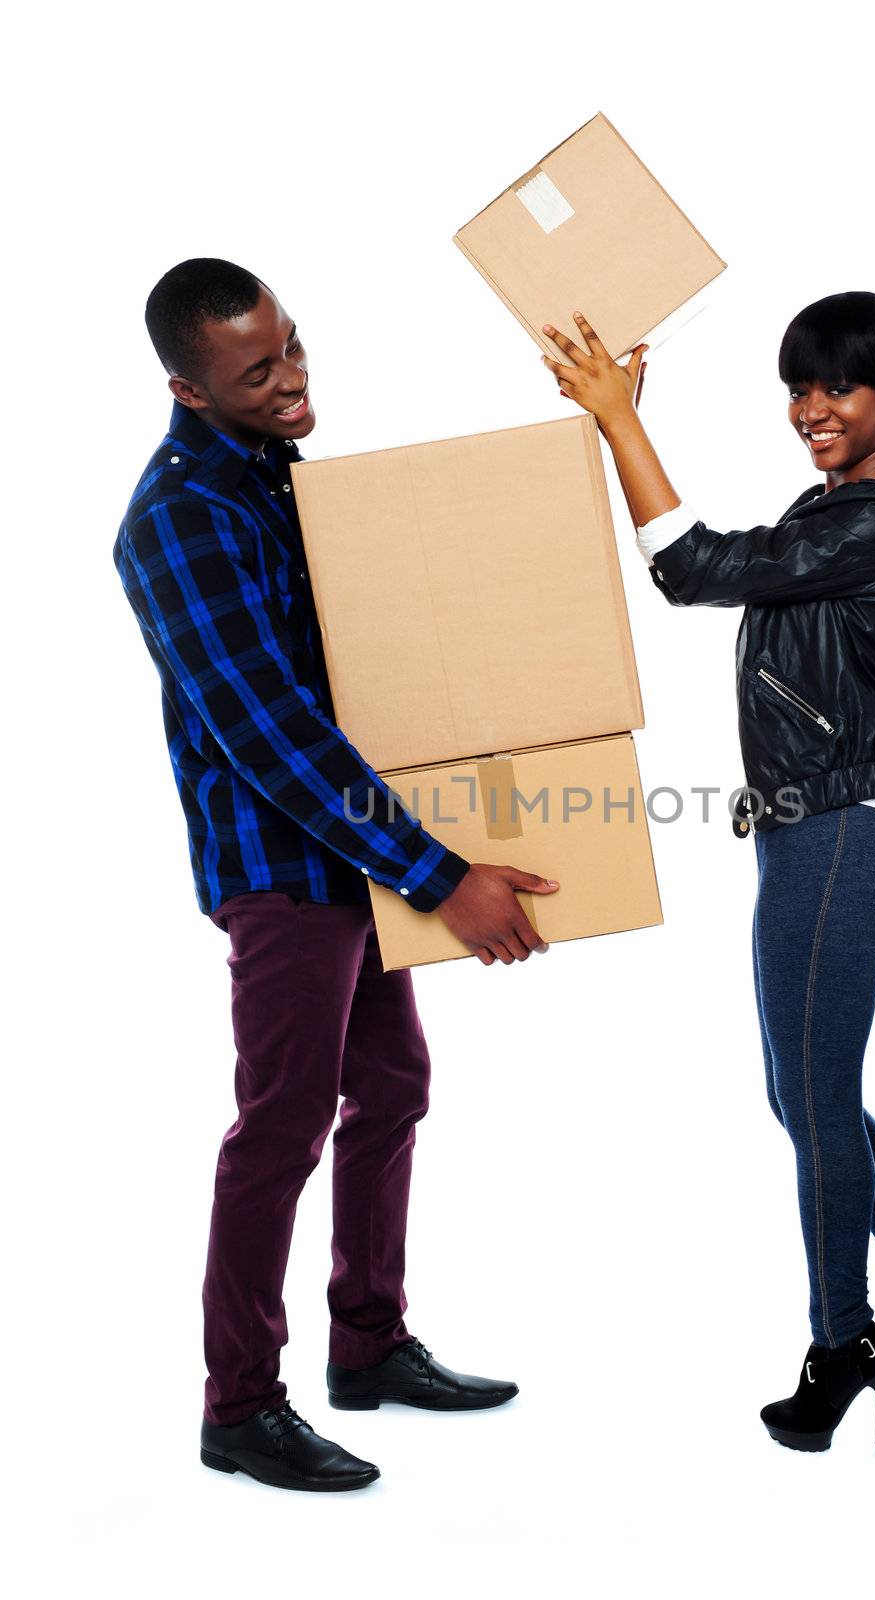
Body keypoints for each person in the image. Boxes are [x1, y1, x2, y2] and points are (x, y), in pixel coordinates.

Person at [540, 290, 875, 1453]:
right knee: (809, 1096)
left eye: (837, 387)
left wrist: (618, 421)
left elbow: (694, 567)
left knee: (809, 1098)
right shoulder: (840, 505)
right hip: (819, 829)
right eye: (797, 389)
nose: (810, 409)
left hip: (847, 830)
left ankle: (844, 1339)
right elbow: (719, 575)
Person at [114, 258, 561, 1492]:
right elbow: (270, 733)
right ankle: (241, 1407)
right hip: (283, 864)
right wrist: (441, 872)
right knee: (282, 1126)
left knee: (396, 1083)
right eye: (257, 371)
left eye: (293, 345)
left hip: (353, 852)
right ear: (188, 390)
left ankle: (365, 1344)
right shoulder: (177, 519)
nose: (294, 377)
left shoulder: (276, 477)